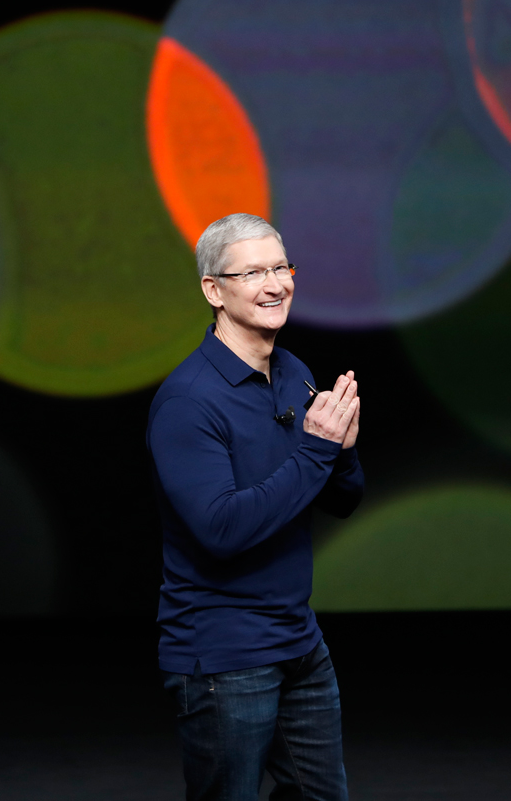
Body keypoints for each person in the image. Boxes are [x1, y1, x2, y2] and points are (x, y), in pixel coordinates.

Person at [147, 212, 364, 801]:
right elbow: (222, 530)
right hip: (223, 655)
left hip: (298, 642)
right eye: (252, 272)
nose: (275, 284)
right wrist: (318, 450)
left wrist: (340, 454)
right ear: (213, 291)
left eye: (280, 267)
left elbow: (342, 500)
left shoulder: (294, 373)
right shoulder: (188, 403)